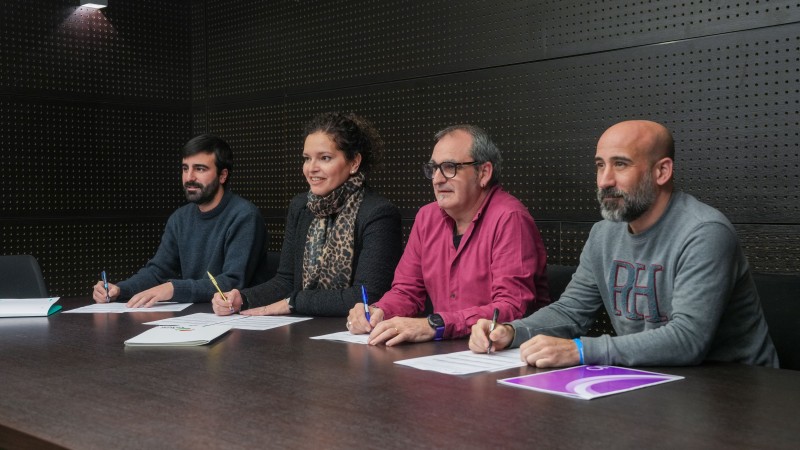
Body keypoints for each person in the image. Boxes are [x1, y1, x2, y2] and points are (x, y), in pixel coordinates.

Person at [470, 120, 778, 368]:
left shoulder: (704, 232)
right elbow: (571, 312)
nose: (604, 180)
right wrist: (511, 331)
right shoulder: (604, 234)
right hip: (657, 381)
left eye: (620, 164)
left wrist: (581, 350)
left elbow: (688, 340)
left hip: (738, 391)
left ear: (662, 171)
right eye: (600, 165)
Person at [346, 124, 549, 345]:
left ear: (484, 173)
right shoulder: (427, 217)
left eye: (450, 167)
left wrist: (436, 325)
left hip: (500, 352)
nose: (437, 179)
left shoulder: (510, 218)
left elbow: (512, 308)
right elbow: (406, 292)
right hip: (446, 350)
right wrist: (378, 311)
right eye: (434, 168)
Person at [210, 112, 403, 317]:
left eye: (325, 158)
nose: (311, 168)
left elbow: (367, 296)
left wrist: (295, 302)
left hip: (351, 330)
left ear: (354, 162)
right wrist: (242, 298)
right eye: (307, 159)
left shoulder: (378, 213)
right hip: (302, 326)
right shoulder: (301, 206)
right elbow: (286, 281)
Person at [92, 134, 270, 308]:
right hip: (195, 315)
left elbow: (232, 281)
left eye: (200, 169)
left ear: (223, 175)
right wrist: (120, 289)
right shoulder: (180, 218)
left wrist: (174, 288)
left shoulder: (244, 216)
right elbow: (158, 272)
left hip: (237, 316)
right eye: (185, 168)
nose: (189, 177)